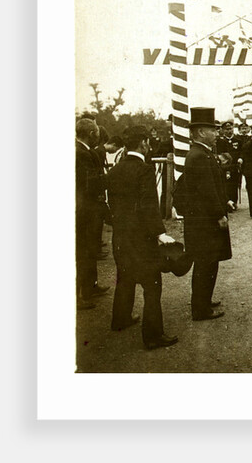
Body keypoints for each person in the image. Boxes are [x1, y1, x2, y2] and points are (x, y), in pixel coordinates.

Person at [107, 125, 179, 349]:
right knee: (152, 285)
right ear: (144, 143)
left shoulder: (115, 169)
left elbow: (109, 203)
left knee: (125, 278)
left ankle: (120, 320)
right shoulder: (145, 169)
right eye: (148, 143)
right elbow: (149, 206)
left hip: (121, 235)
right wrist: (160, 233)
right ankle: (153, 336)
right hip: (141, 238)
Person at [183, 107, 231, 321]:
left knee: (209, 262)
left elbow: (214, 185)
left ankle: (203, 300)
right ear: (201, 132)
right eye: (213, 130)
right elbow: (207, 190)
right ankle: (200, 309)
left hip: (203, 220)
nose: (217, 133)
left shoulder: (202, 154)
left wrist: (224, 203)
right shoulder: (199, 156)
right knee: (205, 263)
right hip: (204, 221)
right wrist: (219, 213)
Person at [75, 117, 110, 310]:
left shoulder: (84, 151)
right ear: (91, 133)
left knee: (90, 249)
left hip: (89, 210)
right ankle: (81, 294)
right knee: (84, 251)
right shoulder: (81, 153)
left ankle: (91, 286)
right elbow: (91, 183)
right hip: (86, 211)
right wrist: (109, 178)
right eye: (96, 132)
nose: (98, 135)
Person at [215, 121, 242, 211]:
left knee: (234, 185)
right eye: (227, 129)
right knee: (226, 185)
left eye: (230, 128)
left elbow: (242, 152)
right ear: (223, 130)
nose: (229, 131)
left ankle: (234, 203)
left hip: (235, 166)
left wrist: (240, 158)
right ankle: (227, 204)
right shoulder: (220, 141)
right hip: (225, 167)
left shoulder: (238, 140)